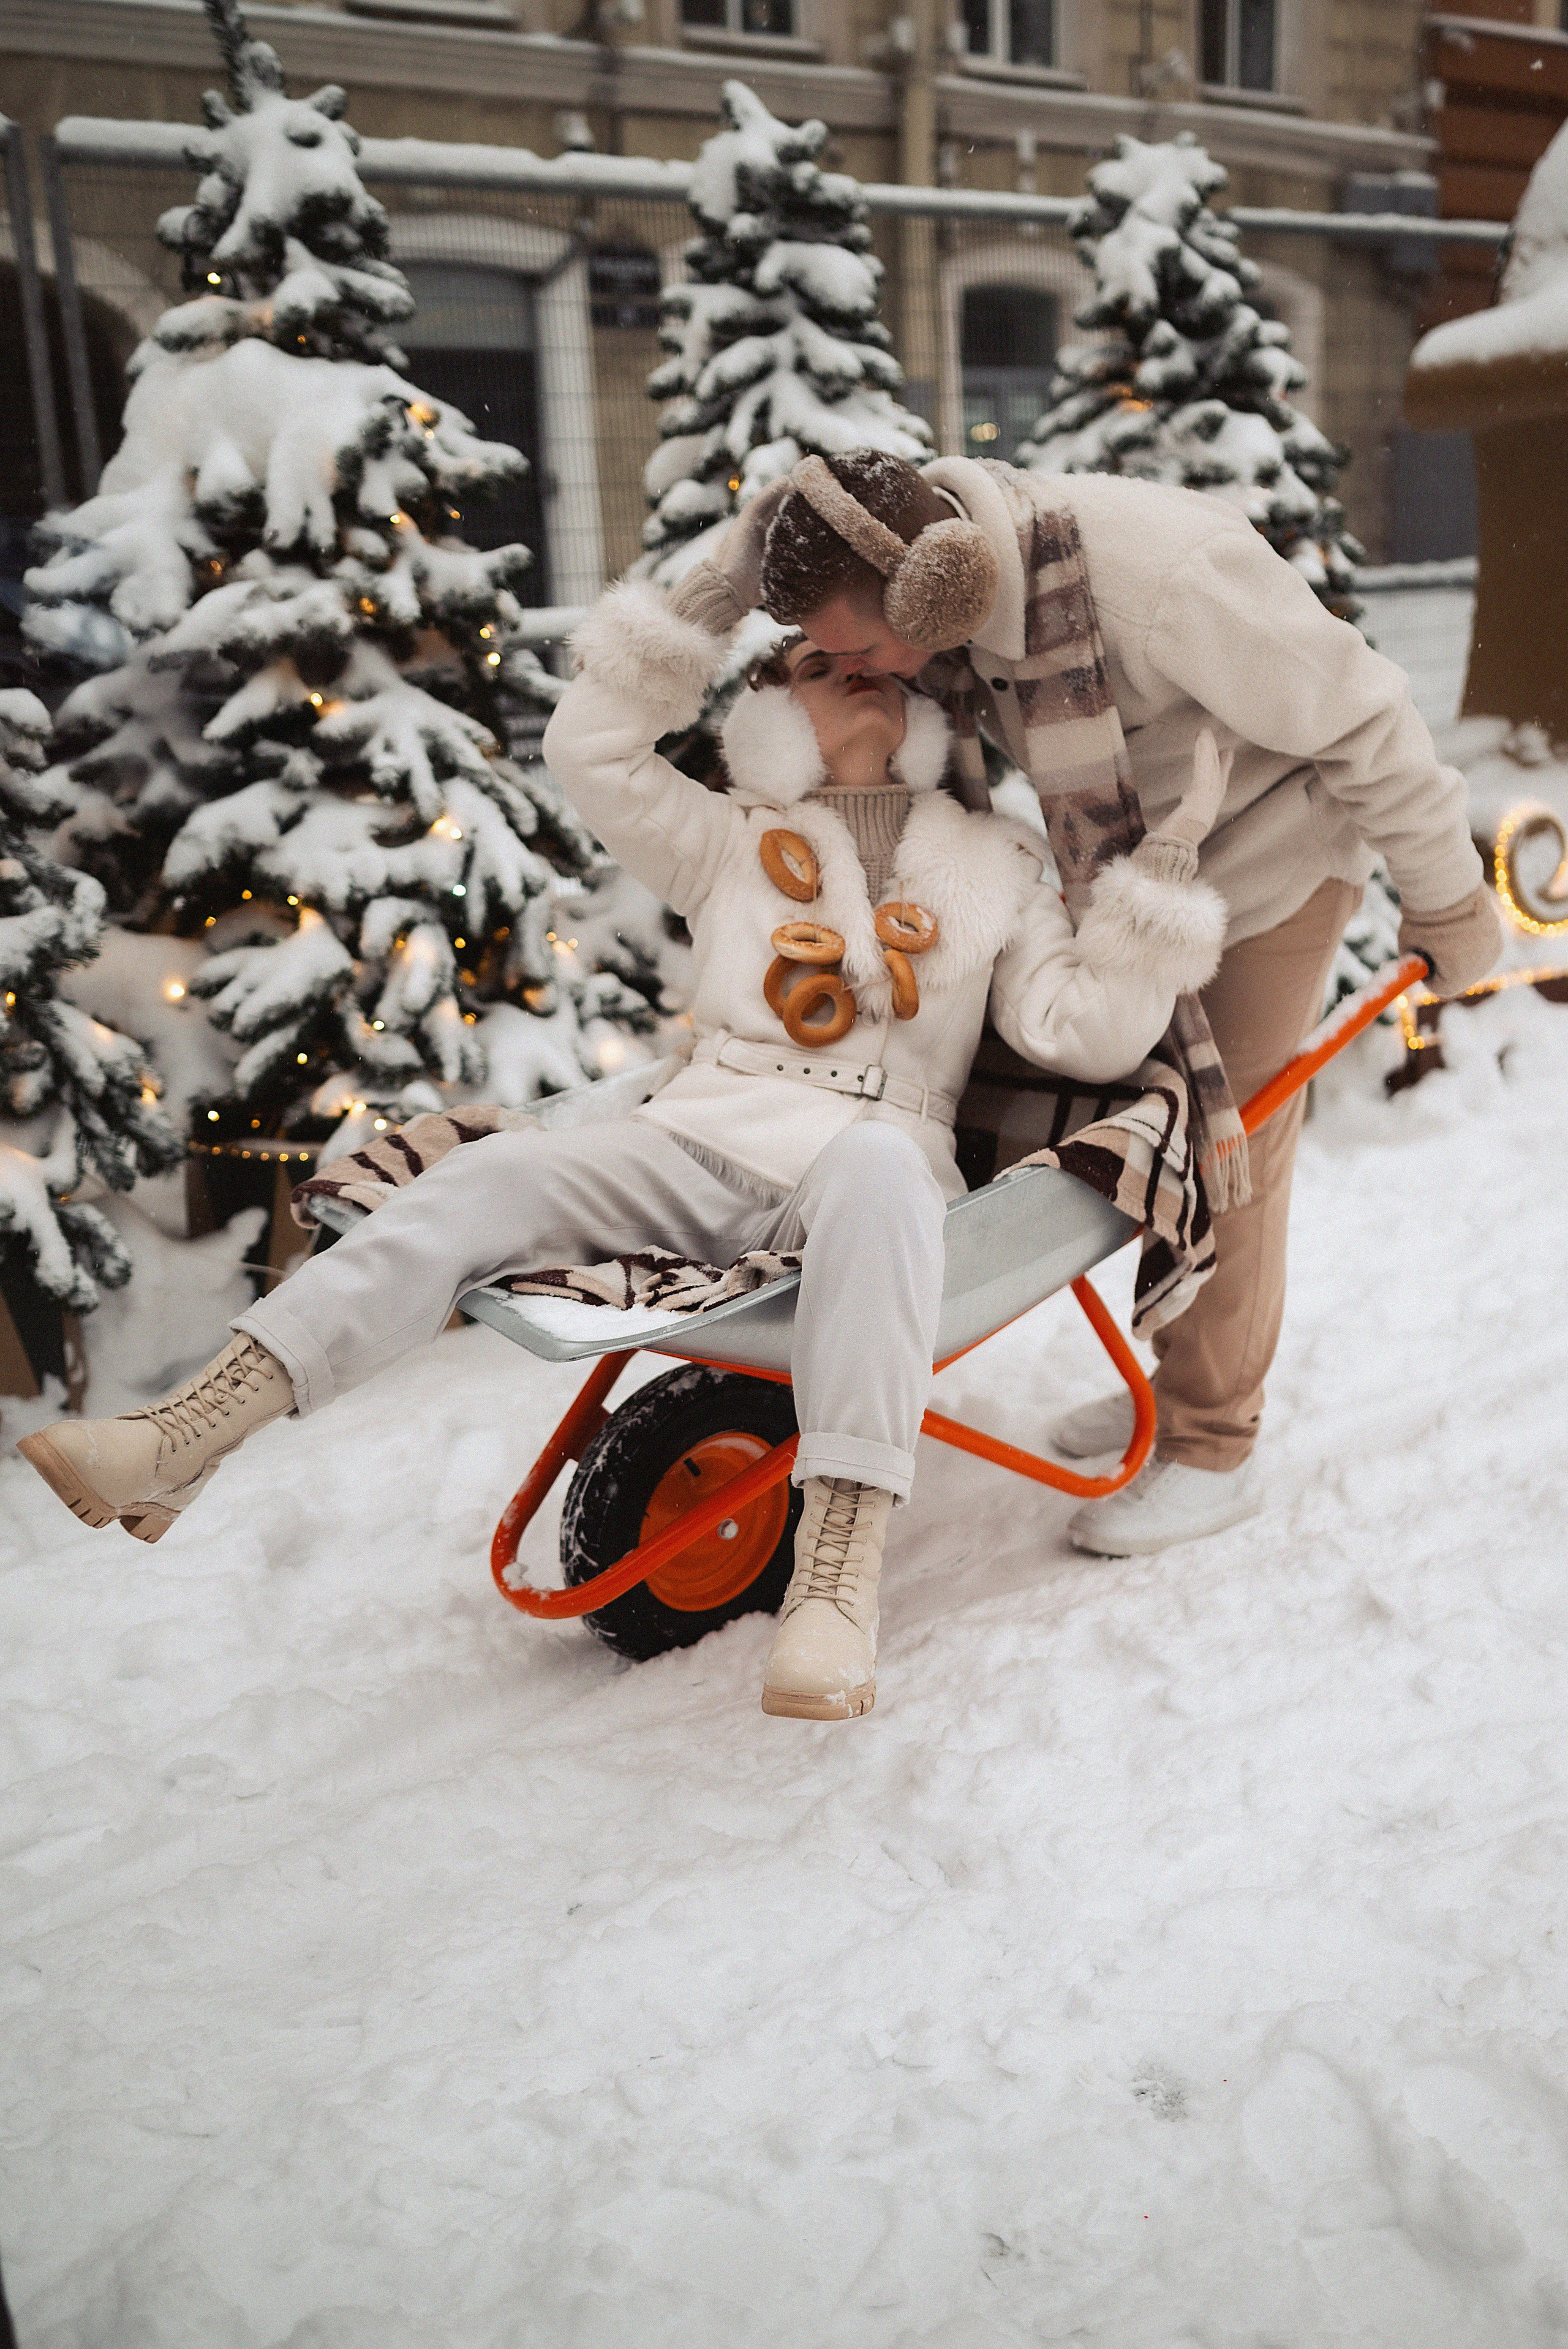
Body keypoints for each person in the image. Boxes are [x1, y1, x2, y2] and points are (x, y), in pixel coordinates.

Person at [18, 579, 1227, 1720]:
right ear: (766, 709)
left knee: (869, 1163)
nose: (851, 674)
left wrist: (1156, 890)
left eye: (869, 661)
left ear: (918, 701)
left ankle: (835, 1574)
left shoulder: (992, 861)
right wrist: (706, 602)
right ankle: (184, 1434)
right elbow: (584, 750)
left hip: (868, 1170)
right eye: (815, 661)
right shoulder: (727, 838)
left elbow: (1077, 1033)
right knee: (489, 1175)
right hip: (697, 1135)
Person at [667, 450, 1503, 1558]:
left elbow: (1368, 720)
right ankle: (1188, 1360)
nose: (862, 673)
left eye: (863, 650)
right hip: (1118, 877)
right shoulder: (921, 554)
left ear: (936, 588)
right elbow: (797, 523)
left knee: (1226, 1141)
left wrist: (1448, 902)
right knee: (1136, 1116)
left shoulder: (1163, 581)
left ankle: (1214, 1439)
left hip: (1267, 862)